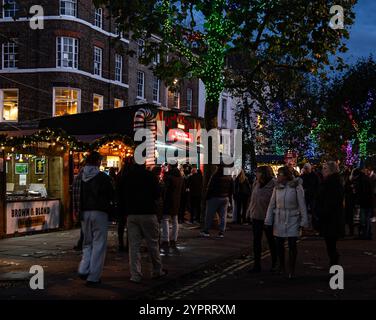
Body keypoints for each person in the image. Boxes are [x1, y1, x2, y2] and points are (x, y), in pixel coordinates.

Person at [118, 162, 167, 283]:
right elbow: (157, 194)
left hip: (132, 214)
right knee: (153, 244)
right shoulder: (150, 176)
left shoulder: (126, 177)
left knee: (133, 246)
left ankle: (135, 275)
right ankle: (157, 270)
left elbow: (120, 195)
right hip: (148, 212)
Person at [75, 152, 114, 287]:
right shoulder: (103, 177)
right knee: (99, 244)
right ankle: (93, 277)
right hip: (100, 212)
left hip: (85, 213)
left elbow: (75, 196)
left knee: (87, 242)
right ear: (97, 162)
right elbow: (111, 195)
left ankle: (83, 268)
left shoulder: (79, 176)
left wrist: (77, 212)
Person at [265, 166, 308, 279]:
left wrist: (304, 221)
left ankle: (291, 269)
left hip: (293, 218)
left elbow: (302, 204)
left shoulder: (296, 187)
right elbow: (271, 204)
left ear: (285, 176)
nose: (277, 176)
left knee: (292, 245)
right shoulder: (277, 188)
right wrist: (268, 220)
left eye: (279, 174)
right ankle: (282, 266)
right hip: (279, 219)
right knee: (279, 245)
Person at [315, 161, 345, 267]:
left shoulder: (332, 183)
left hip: (331, 218)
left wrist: (321, 212)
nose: (323, 171)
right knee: (330, 243)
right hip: (330, 217)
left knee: (330, 242)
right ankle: (333, 261)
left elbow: (331, 202)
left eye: (325, 168)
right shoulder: (331, 182)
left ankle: (334, 263)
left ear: (331, 170)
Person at [249, 166, 277, 273]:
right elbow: (253, 198)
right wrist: (249, 211)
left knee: (271, 241)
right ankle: (257, 265)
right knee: (256, 241)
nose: (256, 174)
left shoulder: (274, 184)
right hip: (256, 216)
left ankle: (275, 263)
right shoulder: (256, 183)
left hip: (268, 217)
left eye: (258, 172)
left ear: (264, 173)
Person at [201, 165, 234, 238]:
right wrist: (228, 196)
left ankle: (206, 231)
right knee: (223, 216)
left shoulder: (215, 176)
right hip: (225, 198)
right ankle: (221, 232)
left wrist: (207, 197)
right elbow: (232, 189)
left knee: (209, 215)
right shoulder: (229, 177)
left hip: (214, 197)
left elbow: (210, 187)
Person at [161, 163, 184, 251]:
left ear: (170, 166)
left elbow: (164, 189)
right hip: (176, 201)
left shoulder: (168, 177)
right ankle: (174, 239)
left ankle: (165, 239)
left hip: (168, 200)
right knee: (175, 220)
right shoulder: (180, 177)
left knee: (165, 219)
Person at [351, 168, 373, 240]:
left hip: (364, 202)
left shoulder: (361, 180)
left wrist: (357, 195)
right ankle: (368, 234)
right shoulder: (365, 178)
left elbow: (362, 192)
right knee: (367, 218)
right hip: (368, 201)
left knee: (364, 219)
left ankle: (365, 234)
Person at [301, 163, 320, 229]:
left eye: (307, 169)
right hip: (306, 196)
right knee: (306, 211)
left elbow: (317, 186)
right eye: (305, 169)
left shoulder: (314, 176)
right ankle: (307, 226)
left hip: (312, 196)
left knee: (313, 212)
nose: (306, 170)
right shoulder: (303, 176)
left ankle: (314, 226)